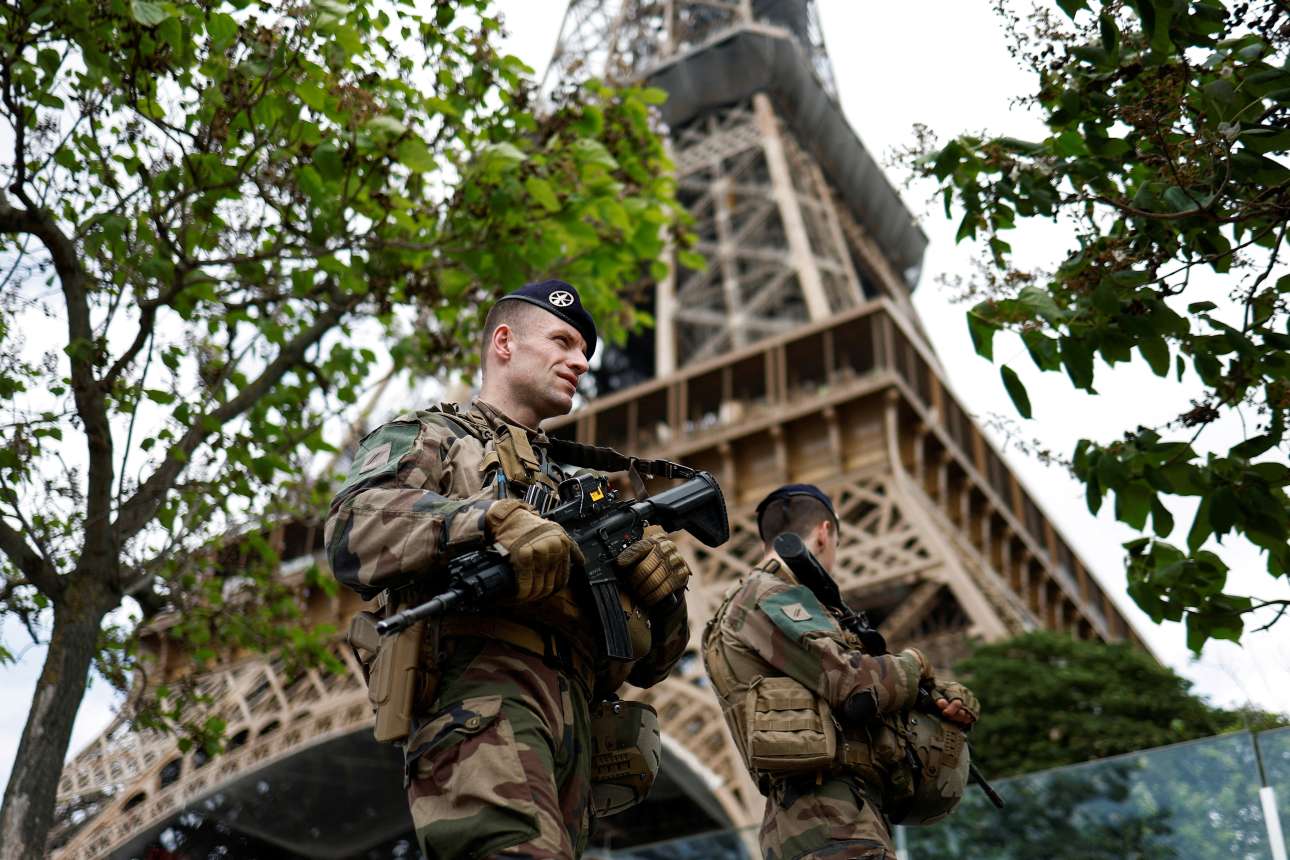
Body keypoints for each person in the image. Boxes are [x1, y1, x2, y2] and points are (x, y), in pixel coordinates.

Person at [325, 280, 693, 859]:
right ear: (504, 342)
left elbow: (653, 664)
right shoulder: (432, 437)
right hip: (484, 704)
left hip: (576, 730)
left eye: (585, 353)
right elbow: (351, 530)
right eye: (562, 342)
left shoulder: (582, 488)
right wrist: (485, 520)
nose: (580, 363)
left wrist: (664, 594)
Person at [702, 484, 980, 860]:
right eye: (837, 543)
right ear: (824, 532)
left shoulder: (764, 601)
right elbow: (853, 685)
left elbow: (849, 693)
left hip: (833, 819)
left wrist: (935, 700)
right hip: (830, 820)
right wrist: (918, 665)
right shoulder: (769, 594)